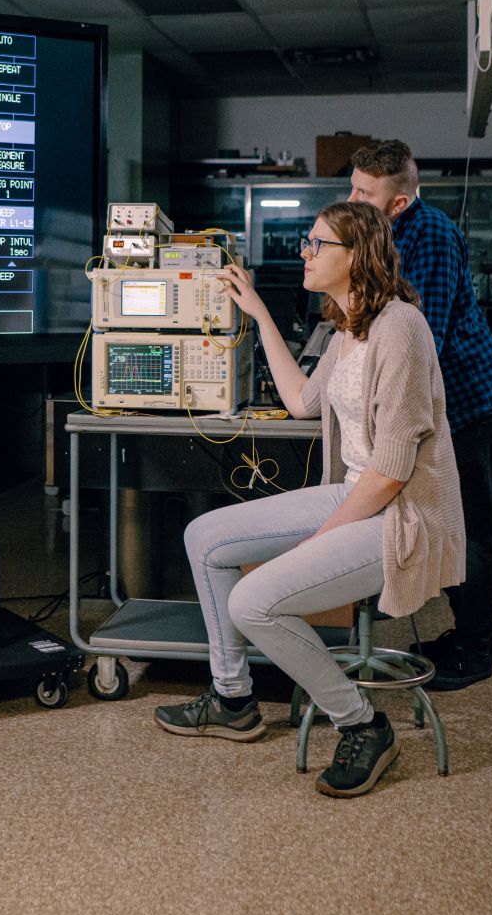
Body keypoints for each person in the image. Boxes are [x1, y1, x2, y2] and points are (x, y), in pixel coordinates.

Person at [153, 201, 465, 798]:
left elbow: (392, 472)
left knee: (254, 601)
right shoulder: (350, 327)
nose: (306, 252)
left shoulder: (400, 326)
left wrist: (318, 541)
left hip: (402, 514)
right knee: (205, 538)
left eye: (318, 244)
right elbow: (301, 400)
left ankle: (363, 725)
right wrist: (260, 314)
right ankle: (233, 698)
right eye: (308, 242)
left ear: (359, 256)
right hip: (355, 493)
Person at [348, 139, 492, 690]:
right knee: (450, 525)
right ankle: (479, 632)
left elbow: (428, 335)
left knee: (467, 529)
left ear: (398, 202)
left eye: (364, 192)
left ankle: (476, 649)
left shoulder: (433, 235)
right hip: (439, 402)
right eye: (352, 185)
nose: (352, 198)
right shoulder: (384, 233)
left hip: (471, 403)